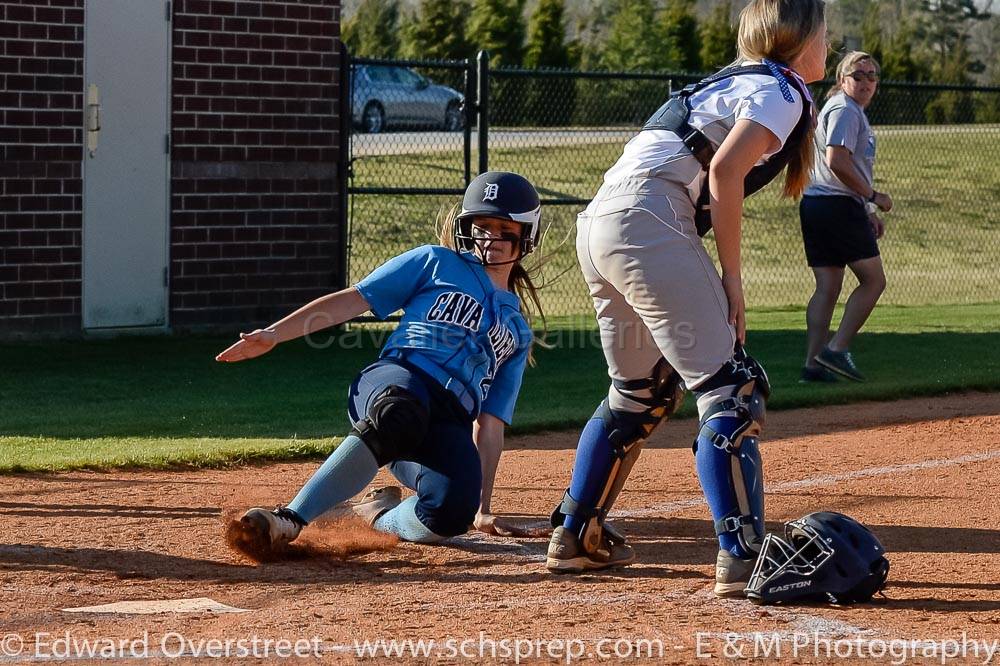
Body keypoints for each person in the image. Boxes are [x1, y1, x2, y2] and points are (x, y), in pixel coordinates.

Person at [545, 0, 828, 598]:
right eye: (824, 31)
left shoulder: (733, 81)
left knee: (640, 392)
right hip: (647, 219)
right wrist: (732, 278)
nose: (829, 43)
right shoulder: (782, 86)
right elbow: (725, 174)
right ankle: (743, 554)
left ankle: (576, 534)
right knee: (733, 388)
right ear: (799, 40)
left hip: (600, 225)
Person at [219, 172, 544, 555]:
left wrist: (482, 508)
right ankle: (289, 519)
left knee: (454, 510)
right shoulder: (435, 262)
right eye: (482, 225)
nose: (489, 237)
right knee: (401, 411)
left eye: (503, 228)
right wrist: (275, 334)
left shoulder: (517, 330)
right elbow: (353, 299)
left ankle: (379, 516)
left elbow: (489, 425)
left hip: (448, 419)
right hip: (399, 379)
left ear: (527, 235)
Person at [800, 51, 892, 383]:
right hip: (836, 206)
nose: (866, 81)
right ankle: (835, 350)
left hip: (820, 204)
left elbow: (844, 165)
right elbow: (837, 161)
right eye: (858, 75)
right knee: (874, 280)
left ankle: (813, 366)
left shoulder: (846, 110)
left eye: (872, 76)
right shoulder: (844, 109)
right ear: (842, 80)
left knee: (828, 286)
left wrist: (866, 209)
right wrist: (872, 197)